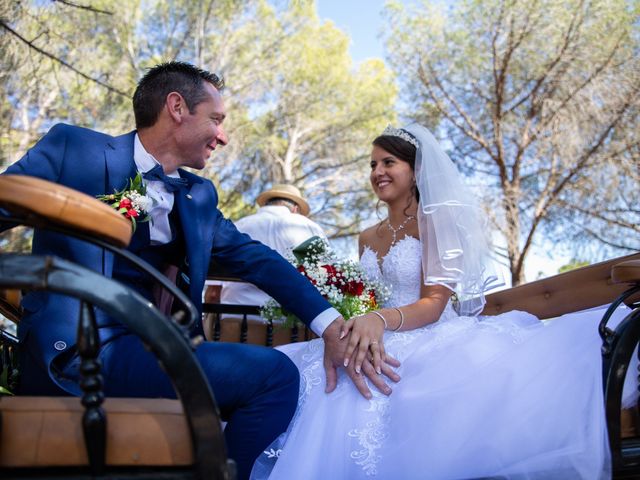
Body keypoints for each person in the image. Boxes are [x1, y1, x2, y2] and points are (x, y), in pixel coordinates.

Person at [0, 62, 398, 480]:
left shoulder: (197, 195)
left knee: (278, 375)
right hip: (74, 352)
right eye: (216, 119)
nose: (223, 136)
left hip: (152, 351)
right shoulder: (74, 148)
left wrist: (332, 325)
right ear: (176, 107)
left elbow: (258, 260)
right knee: (276, 376)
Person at [251, 124, 631, 479]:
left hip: (430, 330)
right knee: (302, 367)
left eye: (389, 162)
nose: (377, 172)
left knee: (368, 390)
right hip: (379, 329)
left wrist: (379, 320)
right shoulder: (367, 236)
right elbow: (369, 298)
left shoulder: (436, 221)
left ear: (416, 171)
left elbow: (434, 302)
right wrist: (356, 315)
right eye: (372, 164)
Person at [211, 184, 325, 325]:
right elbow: (326, 279)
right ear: (295, 208)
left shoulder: (236, 226)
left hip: (235, 327)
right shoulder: (310, 227)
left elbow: (213, 293)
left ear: (266, 204)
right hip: (293, 328)